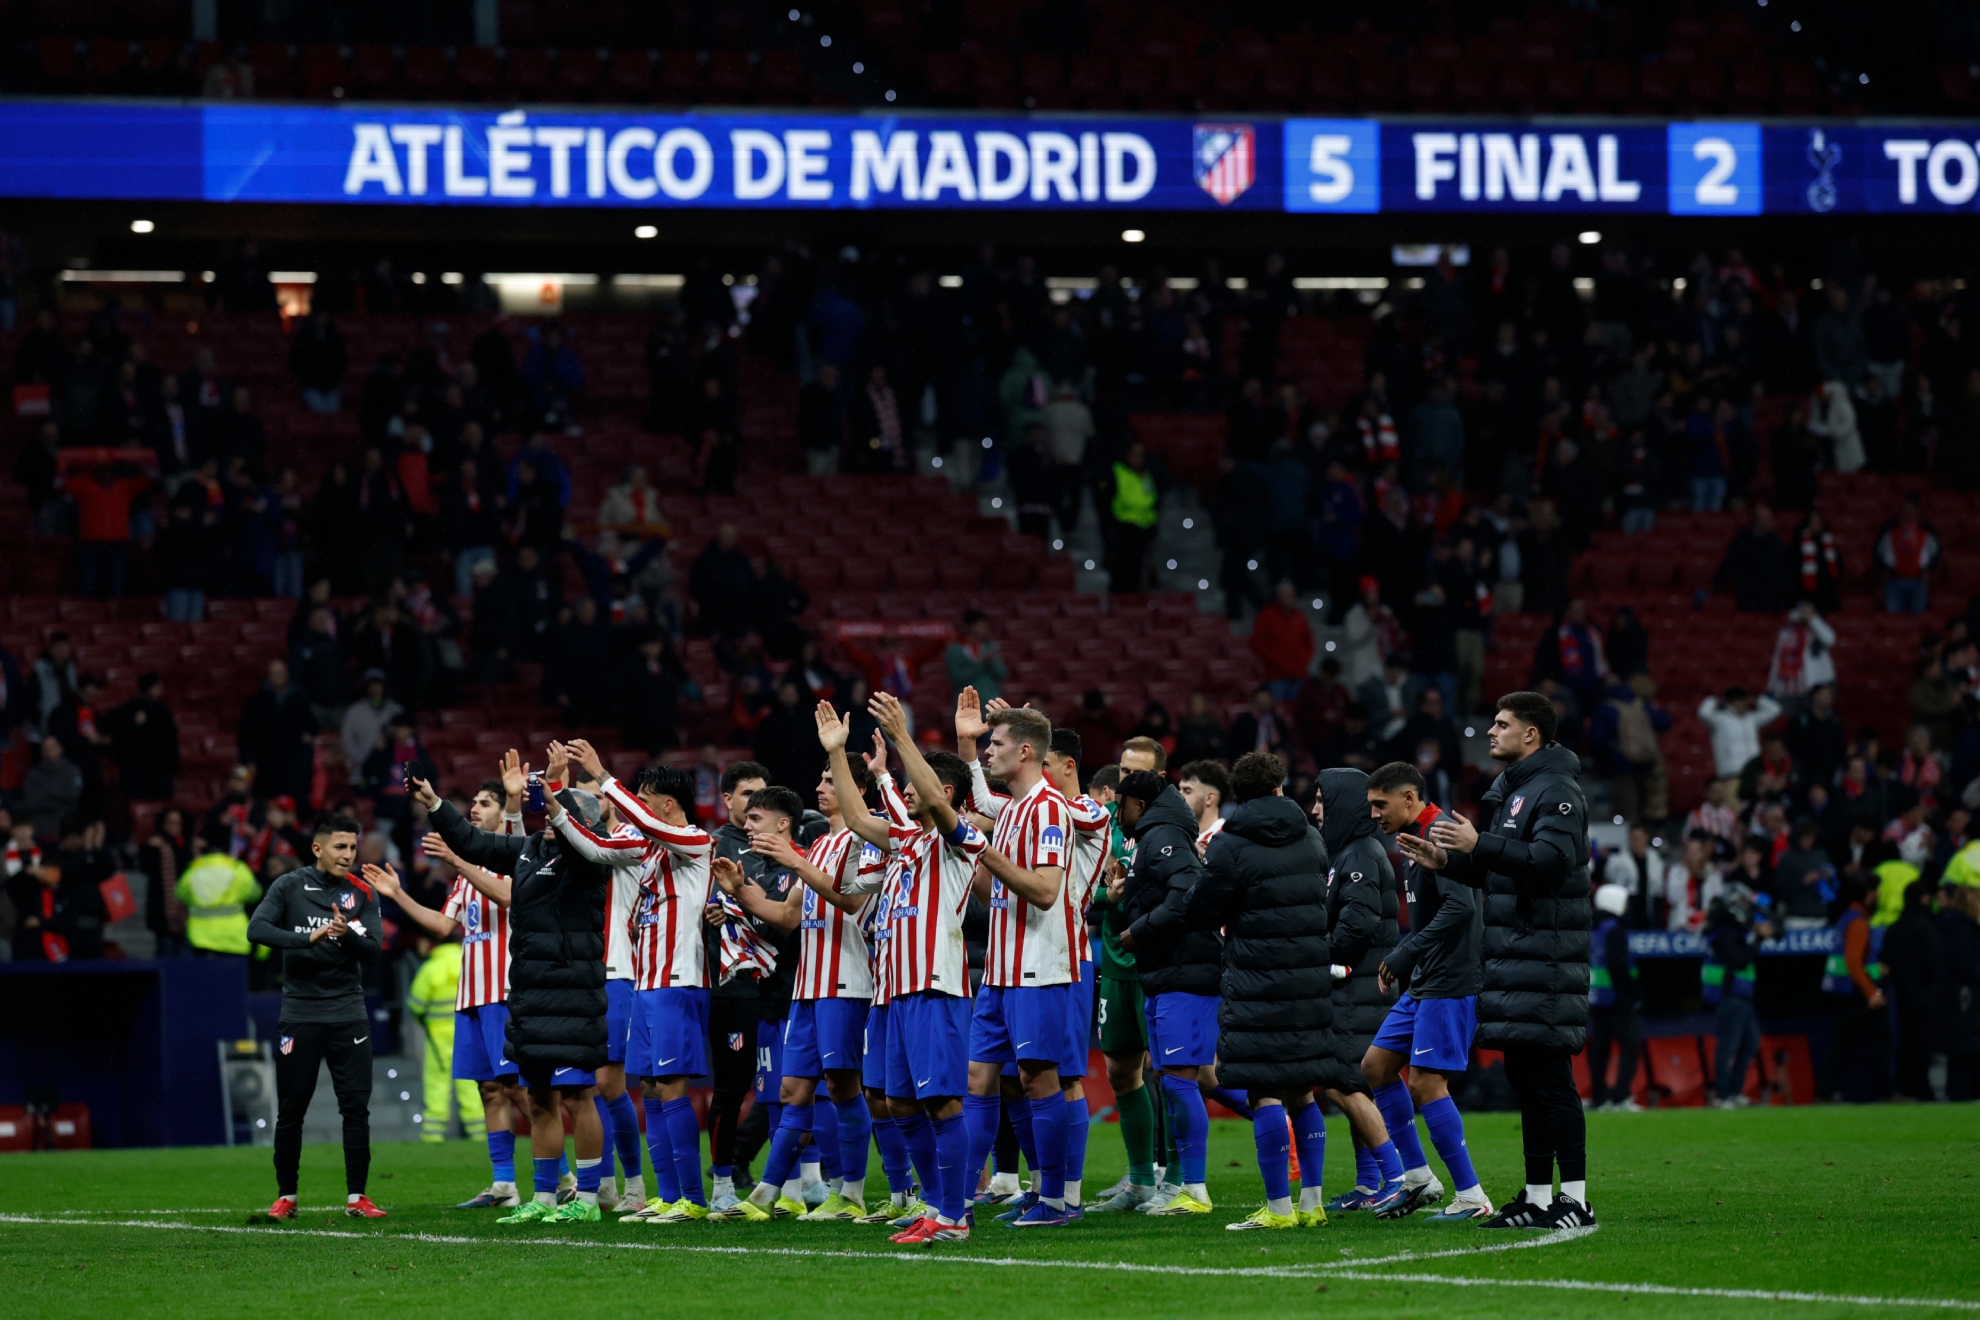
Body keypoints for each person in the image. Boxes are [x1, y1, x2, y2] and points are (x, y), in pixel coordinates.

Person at [1398, 691, 1596, 1230]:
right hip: (1516, 960)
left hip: (1546, 960)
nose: (1491, 731)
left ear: (1530, 734)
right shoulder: (1519, 790)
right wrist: (1446, 861)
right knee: (1527, 1081)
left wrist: (1478, 843)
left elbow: (1552, 863)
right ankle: (1535, 1197)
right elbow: (1503, 873)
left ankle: (1576, 1199)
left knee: (1551, 1081)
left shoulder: (1556, 791)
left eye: (1502, 724)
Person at [413, 748, 617, 1224]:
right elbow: (473, 842)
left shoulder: (590, 860)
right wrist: (434, 802)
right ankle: (544, 1197)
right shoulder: (529, 852)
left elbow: (574, 837)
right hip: (528, 994)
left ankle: (586, 1199)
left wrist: (557, 795)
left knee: (578, 1095)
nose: (547, 819)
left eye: (554, 814)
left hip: (572, 992)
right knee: (539, 1096)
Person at [826, 699, 986, 1245]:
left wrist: (902, 737)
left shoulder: (958, 839)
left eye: (915, 784)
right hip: (892, 991)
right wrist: (836, 756)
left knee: (941, 1100)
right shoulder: (908, 842)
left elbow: (938, 803)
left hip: (933, 985)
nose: (906, 790)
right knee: (897, 1102)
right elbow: (854, 817)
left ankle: (955, 1215)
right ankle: (936, 1205)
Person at [364, 763, 541, 1209]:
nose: (476, 810)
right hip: (472, 996)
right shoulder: (466, 876)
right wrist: (399, 895)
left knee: (520, 1089)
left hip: (506, 992)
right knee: (489, 1089)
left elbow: (507, 896)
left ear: (504, 815)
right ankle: (503, 1185)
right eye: (476, 804)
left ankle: (560, 1179)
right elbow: (444, 925)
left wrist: (463, 855)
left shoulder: (517, 856)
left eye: (485, 804)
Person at [1178, 751, 1333, 1230]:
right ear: (1281, 788)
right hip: (1308, 978)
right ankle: (1313, 1204)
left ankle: (1279, 1209)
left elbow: (1203, 911)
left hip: (1256, 978)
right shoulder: (1312, 836)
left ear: (1237, 795)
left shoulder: (1231, 843)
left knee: (1265, 1090)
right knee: (1303, 1089)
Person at [568, 747, 718, 1223]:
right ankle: (666, 1195)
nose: (639, 806)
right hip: (647, 984)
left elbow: (647, 825)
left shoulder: (694, 841)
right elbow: (596, 849)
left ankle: (692, 1198)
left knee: (672, 1087)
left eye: (646, 798)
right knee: (651, 1088)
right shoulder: (650, 850)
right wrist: (554, 806)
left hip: (678, 981)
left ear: (668, 804)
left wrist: (602, 776)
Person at [959, 705, 1077, 1228]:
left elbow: (1047, 892)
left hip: (1038, 969)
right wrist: (966, 742)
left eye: (996, 744)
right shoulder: (1011, 809)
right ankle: (959, 1198)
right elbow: (998, 888)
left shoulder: (1051, 811)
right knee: (979, 1077)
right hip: (1000, 971)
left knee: (1037, 1080)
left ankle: (1054, 1199)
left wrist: (981, 851)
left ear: (1025, 751)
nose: (989, 751)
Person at [1364, 761, 1493, 1221]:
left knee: (1425, 1081)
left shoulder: (1440, 833)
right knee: (1377, 1067)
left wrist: (1405, 952)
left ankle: (1472, 1196)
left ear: (1409, 798)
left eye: (1381, 804)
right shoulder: (1414, 833)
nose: (1375, 814)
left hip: (1450, 980)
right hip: (1426, 979)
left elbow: (1461, 908)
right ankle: (1418, 1179)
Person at [246, 812, 388, 1220]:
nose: (348, 855)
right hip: (301, 1013)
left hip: (348, 1012)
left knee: (356, 1108)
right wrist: (304, 938)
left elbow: (375, 951)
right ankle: (286, 1197)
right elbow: (256, 929)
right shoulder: (289, 886)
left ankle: (357, 1198)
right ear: (318, 848)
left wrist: (348, 938)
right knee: (291, 1109)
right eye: (340, 847)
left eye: (352, 848)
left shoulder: (362, 892)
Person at [1112, 768, 1227, 1217]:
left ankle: (1193, 1188)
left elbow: (1187, 894)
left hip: (1186, 972)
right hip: (1167, 973)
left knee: (1180, 1082)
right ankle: (1179, 1183)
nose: (1116, 814)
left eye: (1120, 805)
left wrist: (1137, 931)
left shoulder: (1161, 838)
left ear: (1137, 805)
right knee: (1174, 1079)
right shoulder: (1155, 839)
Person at [1311, 767, 1411, 1215]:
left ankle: (1395, 1177)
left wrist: (1319, 957)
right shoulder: (1350, 852)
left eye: (1321, 800)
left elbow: (1358, 922)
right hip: (1357, 988)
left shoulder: (1360, 855)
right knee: (1351, 1085)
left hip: (1357, 989)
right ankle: (1370, 1183)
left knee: (1341, 1085)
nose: (1315, 809)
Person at [698, 759, 772, 1214]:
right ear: (727, 800)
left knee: (793, 1086)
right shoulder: (709, 849)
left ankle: (806, 1183)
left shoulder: (780, 845)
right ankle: (723, 1185)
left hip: (781, 986)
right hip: (734, 988)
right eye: (748, 795)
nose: (755, 804)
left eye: (763, 796)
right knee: (732, 1088)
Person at [1703, 885, 1773, 1108]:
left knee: (1750, 1043)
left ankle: (1734, 1091)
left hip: (1741, 996)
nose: (1746, 909)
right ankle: (1724, 1095)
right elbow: (1739, 960)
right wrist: (1758, 939)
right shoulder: (1724, 934)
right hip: (1730, 996)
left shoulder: (1731, 931)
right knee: (1728, 1047)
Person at [1930, 849, 1980, 1100]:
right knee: (1964, 1053)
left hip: (1957, 997)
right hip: (1963, 998)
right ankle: (1960, 1097)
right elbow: (1964, 964)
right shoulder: (1961, 927)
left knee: (1963, 1053)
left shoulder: (1952, 924)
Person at [1586, 883, 1641, 1110]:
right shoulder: (1615, 930)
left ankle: (1600, 1097)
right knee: (1629, 1048)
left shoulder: (1591, 928)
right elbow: (1619, 967)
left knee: (1599, 1051)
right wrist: (1635, 991)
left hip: (1596, 999)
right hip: (1619, 1001)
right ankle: (1620, 1097)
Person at [175, 837, 261, 959]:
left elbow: (181, 893)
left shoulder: (194, 869)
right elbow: (254, 893)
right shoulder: (236, 868)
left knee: (206, 976)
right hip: (234, 935)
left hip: (201, 935)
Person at [1698, 687, 1783, 781]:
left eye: (1744, 701)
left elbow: (1775, 710)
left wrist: (1757, 700)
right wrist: (1715, 701)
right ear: (1730, 703)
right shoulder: (1719, 720)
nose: (1743, 704)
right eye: (1739, 701)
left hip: (1753, 773)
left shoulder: (1751, 719)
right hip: (1731, 773)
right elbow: (1703, 713)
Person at [1250, 581, 1314, 701]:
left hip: (1298, 674)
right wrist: (1276, 659)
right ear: (1278, 597)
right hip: (1276, 675)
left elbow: (1308, 642)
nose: (1289, 599)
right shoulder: (1267, 615)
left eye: (1291, 596)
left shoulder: (1299, 616)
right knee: (1278, 711)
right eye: (1286, 596)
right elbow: (1257, 643)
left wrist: (1303, 660)